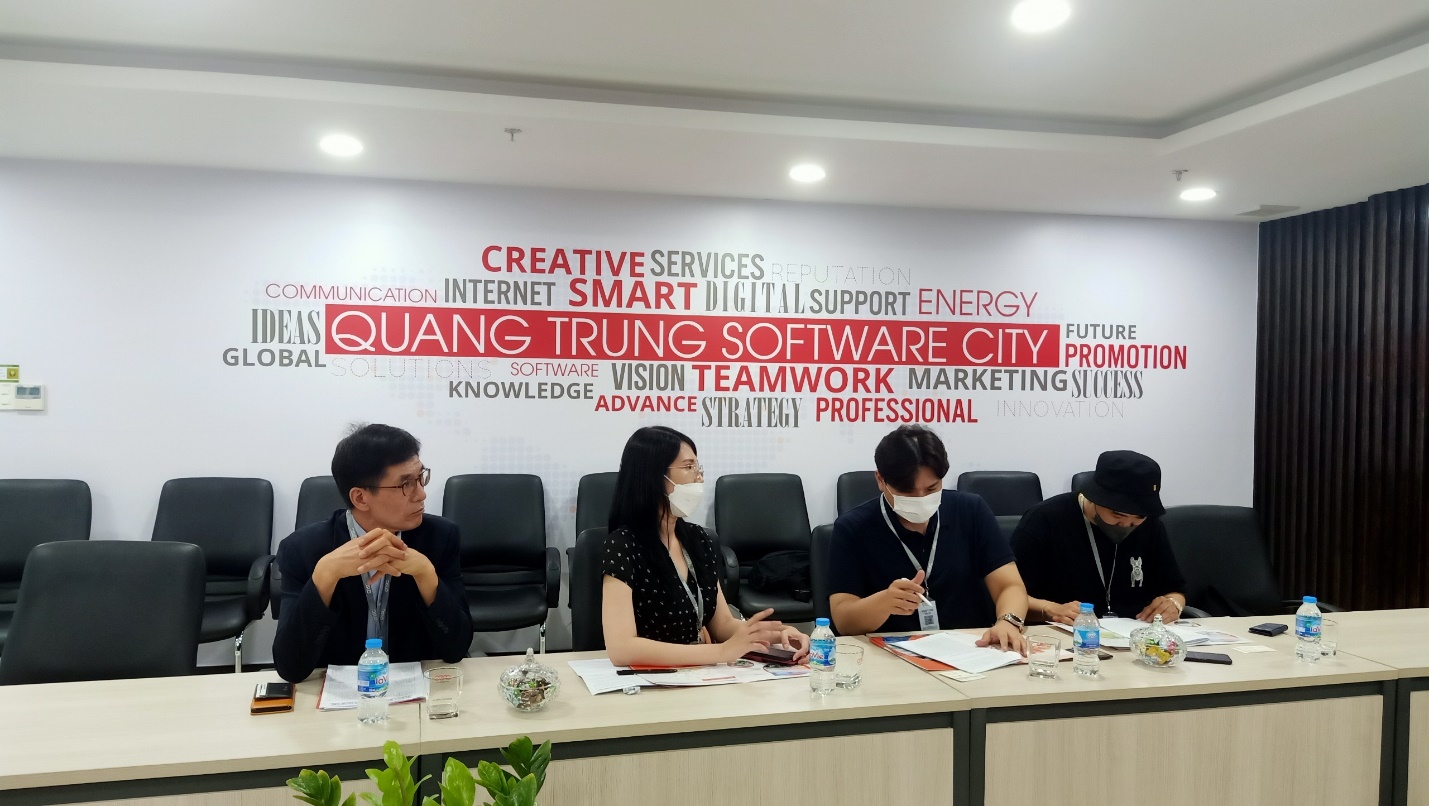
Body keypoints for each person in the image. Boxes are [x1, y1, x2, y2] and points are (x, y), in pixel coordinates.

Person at [273, 424, 473, 682]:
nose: (421, 494)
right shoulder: (303, 550)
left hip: (416, 690)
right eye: (406, 484)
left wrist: (426, 574)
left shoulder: (440, 538)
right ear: (360, 498)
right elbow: (291, 668)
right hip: (341, 693)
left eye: (420, 478)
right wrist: (325, 575)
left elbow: (456, 649)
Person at [601, 426, 809, 667]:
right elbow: (622, 649)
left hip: (699, 673)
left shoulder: (698, 539)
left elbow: (723, 625)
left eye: (698, 467)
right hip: (649, 677)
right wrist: (720, 652)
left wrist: (778, 635)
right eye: (688, 467)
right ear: (653, 476)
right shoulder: (623, 545)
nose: (699, 477)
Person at [827, 425, 1029, 652]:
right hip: (889, 653)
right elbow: (843, 619)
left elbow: (1009, 585)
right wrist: (884, 603)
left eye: (932, 488)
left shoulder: (971, 511)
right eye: (908, 492)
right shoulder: (853, 528)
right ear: (880, 480)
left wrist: (1008, 622)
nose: (921, 498)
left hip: (971, 648)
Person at [1012, 450, 1187, 625]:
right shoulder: (1045, 519)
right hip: (1063, 631)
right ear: (1095, 498)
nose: (1127, 524)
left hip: (1135, 632)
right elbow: (1008, 593)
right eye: (1117, 515)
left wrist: (1173, 604)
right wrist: (1049, 609)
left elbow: (1174, 589)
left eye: (1139, 517)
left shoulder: (1151, 525)